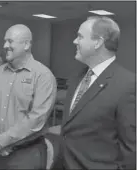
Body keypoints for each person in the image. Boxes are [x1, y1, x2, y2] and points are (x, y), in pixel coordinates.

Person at [57, 16, 136, 169]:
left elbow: (131, 149)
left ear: (98, 42)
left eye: (80, 36)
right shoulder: (77, 78)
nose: (74, 41)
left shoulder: (128, 84)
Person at [0, 24, 57, 169]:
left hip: (27, 155)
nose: (5, 45)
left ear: (26, 44)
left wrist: (1, 141)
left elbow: (36, 119)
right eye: (4, 41)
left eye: (10, 41)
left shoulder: (43, 76)